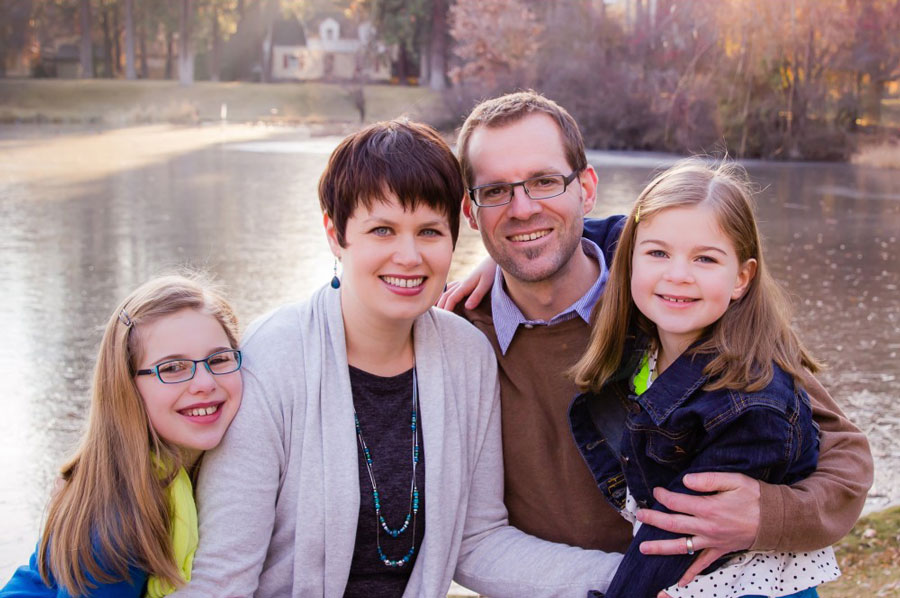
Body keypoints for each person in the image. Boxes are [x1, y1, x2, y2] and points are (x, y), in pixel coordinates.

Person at [170, 120, 621, 598]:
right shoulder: (272, 358)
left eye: (428, 231)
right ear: (334, 233)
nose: (408, 256)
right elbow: (223, 578)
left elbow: (477, 540)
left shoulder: (466, 355)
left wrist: (633, 577)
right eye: (382, 230)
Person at [441, 90, 872, 584]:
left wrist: (766, 516)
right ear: (471, 211)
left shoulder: (678, 304)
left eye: (545, 181)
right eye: (496, 191)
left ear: (586, 188)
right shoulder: (456, 331)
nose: (522, 208)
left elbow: (846, 456)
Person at [569, 159, 841, 598]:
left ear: (741, 278)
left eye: (705, 259)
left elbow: (672, 535)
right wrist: (500, 266)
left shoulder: (752, 403)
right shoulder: (645, 351)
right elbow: (578, 233)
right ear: (629, 260)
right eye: (658, 253)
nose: (678, 274)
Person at [0, 273, 244, 597]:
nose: (204, 382)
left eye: (219, 359)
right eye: (172, 368)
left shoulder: (197, 465)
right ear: (126, 387)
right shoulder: (118, 525)